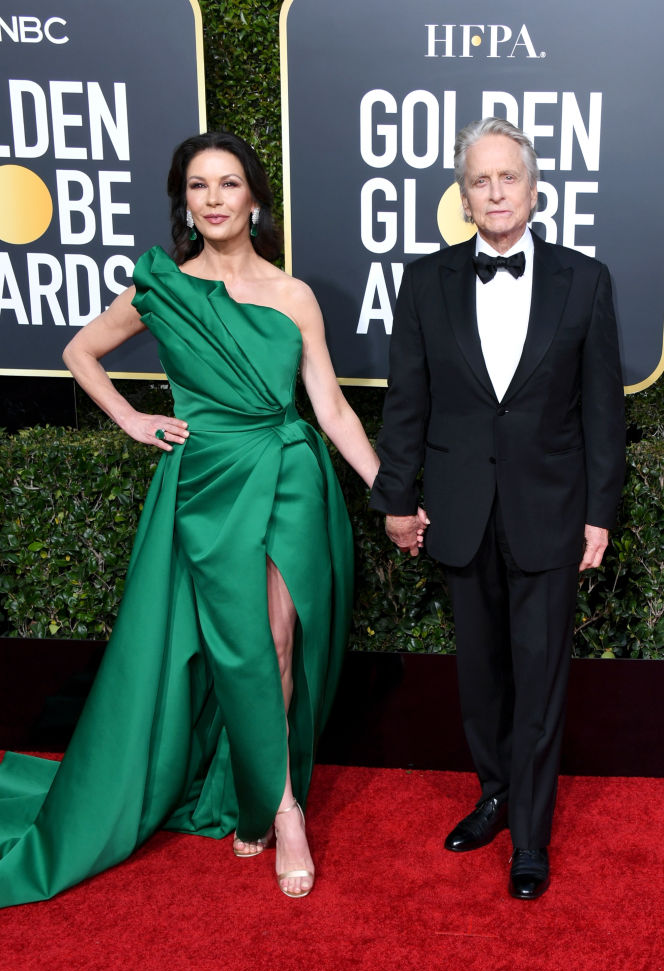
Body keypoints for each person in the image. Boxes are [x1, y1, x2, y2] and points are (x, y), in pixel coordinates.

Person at [0, 131, 384, 906]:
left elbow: (334, 410)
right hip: (208, 481)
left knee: (278, 641)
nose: (212, 198)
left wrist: (391, 492)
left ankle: (276, 805)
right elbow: (80, 352)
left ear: (253, 199)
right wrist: (133, 420)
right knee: (238, 648)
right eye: (198, 186)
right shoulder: (163, 289)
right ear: (184, 201)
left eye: (228, 183)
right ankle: (269, 800)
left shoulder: (292, 294)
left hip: (288, 475)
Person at [370, 117, 625, 899]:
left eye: (506, 177)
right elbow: (407, 403)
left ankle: (532, 838)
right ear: (462, 194)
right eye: (478, 180)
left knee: (540, 677)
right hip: (458, 508)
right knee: (479, 677)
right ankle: (492, 795)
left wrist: (599, 512)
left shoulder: (583, 279)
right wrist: (396, 499)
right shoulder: (425, 281)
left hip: (549, 511)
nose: (494, 191)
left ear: (533, 186)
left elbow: (601, 412)